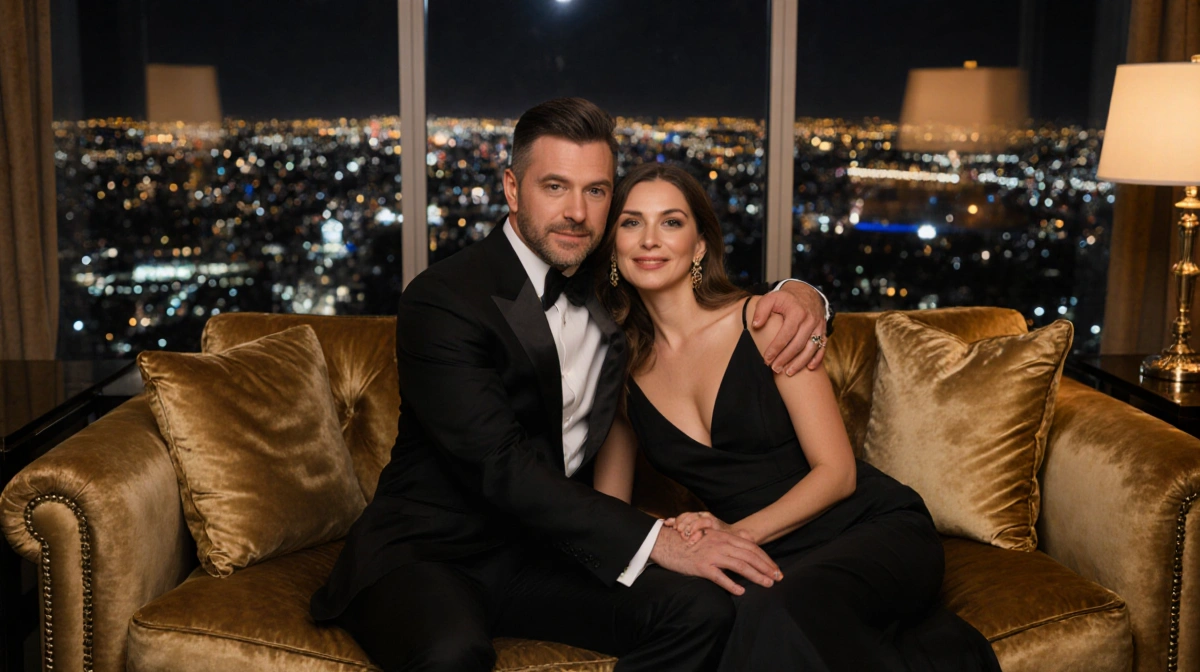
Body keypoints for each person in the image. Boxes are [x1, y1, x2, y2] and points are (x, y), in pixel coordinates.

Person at [309, 98, 832, 671]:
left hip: (546, 556)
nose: (576, 212)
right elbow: (498, 466)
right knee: (452, 653)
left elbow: (704, 289)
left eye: (597, 191)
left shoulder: (609, 282)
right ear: (512, 188)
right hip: (431, 551)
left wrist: (803, 293)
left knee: (704, 609)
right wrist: (658, 540)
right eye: (555, 186)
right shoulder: (444, 298)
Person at [592, 162, 1002, 671]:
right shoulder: (621, 376)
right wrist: (678, 534)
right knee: (729, 618)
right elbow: (608, 513)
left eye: (671, 222)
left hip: (869, 528)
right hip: (772, 555)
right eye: (631, 222)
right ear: (612, 245)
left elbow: (838, 473)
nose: (650, 239)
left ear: (699, 246)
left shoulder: (767, 322)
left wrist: (732, 536)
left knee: (770, 615)